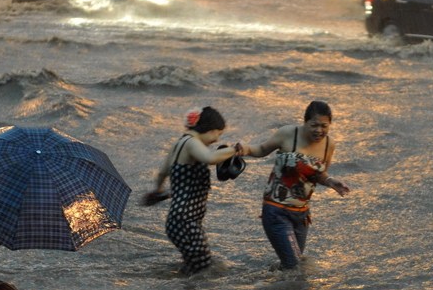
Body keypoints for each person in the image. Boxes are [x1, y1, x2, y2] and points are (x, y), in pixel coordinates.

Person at [244, 100, 350, 269]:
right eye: (314, 125)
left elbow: (318, 175)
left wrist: (331, 182)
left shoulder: (329, 144)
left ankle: (268, 285)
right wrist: (246, 149)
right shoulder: (288, 133)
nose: (319, 130)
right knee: (294, 266)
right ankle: (259, 286)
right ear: (305, 122)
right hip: (276, 211)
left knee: (292, 266)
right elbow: (262, 150)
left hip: (301, 215)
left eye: (324, 126)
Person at [147, 106, 243, 275]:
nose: (216, 140)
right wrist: (236, 149)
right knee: (204, 269)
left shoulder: (179, 143)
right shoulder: (192, 143)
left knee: (194, 267)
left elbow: (163, 172)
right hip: (186, 222)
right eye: (218, 134)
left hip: (178, 222)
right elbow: (210, 158)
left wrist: (157, 191)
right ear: (211, 129)